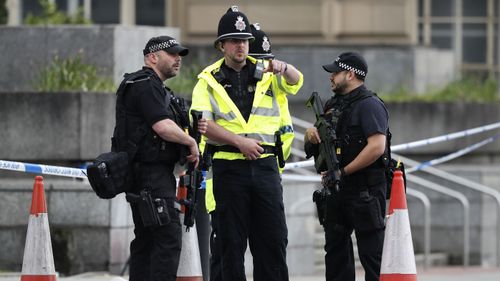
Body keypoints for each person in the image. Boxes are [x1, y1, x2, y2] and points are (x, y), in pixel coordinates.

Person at [191, 6, 303, 281]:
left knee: (273, 243)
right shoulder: (207, 81)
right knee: (229, 246)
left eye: (244, 41)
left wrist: (283, 66)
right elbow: (203, 126)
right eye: (234, 41)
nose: (241, 46)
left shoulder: (267, 73)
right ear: (221, 46)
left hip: (265, 168)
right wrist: (239, 142)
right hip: (228, 170)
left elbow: (296, 82)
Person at [113, 35, 200, 281]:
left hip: (149, 174)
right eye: (172, 54)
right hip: (150, 175)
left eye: (179, 55)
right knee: (167, 237)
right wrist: (190, 141)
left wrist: (192, 129)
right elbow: (162, 127)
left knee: (148, 240)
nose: (177, 60)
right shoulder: (145, 85)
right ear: (152, 57)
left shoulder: (153, 86)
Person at [304, 51, 389, 281]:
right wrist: (310, 136)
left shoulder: (369, 105)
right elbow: (316, 142)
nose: (330, 77)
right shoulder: (332, 105)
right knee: (336, 257)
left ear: (350, 74)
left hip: (365, 192)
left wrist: (343, 172)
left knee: (373, 256)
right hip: (337, 192)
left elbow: (377, 147)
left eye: (335, 72)